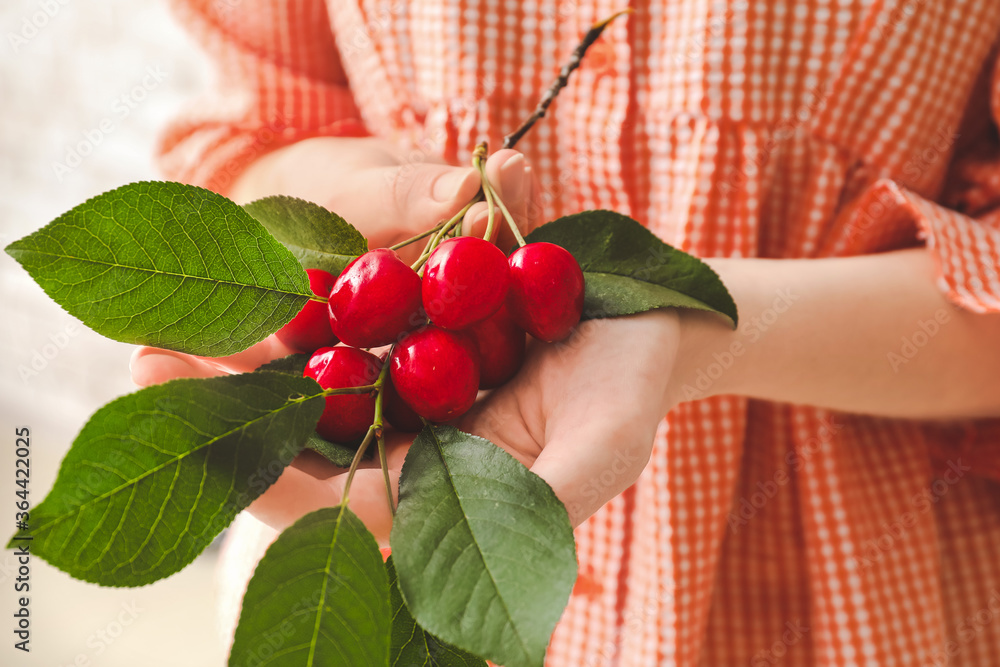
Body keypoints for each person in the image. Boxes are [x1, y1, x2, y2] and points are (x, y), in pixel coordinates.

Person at [131, 0, 1000, 663]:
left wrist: (696, 327)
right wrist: (354, 196)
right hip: (388, 512)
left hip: (843, 596)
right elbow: (259, 124)